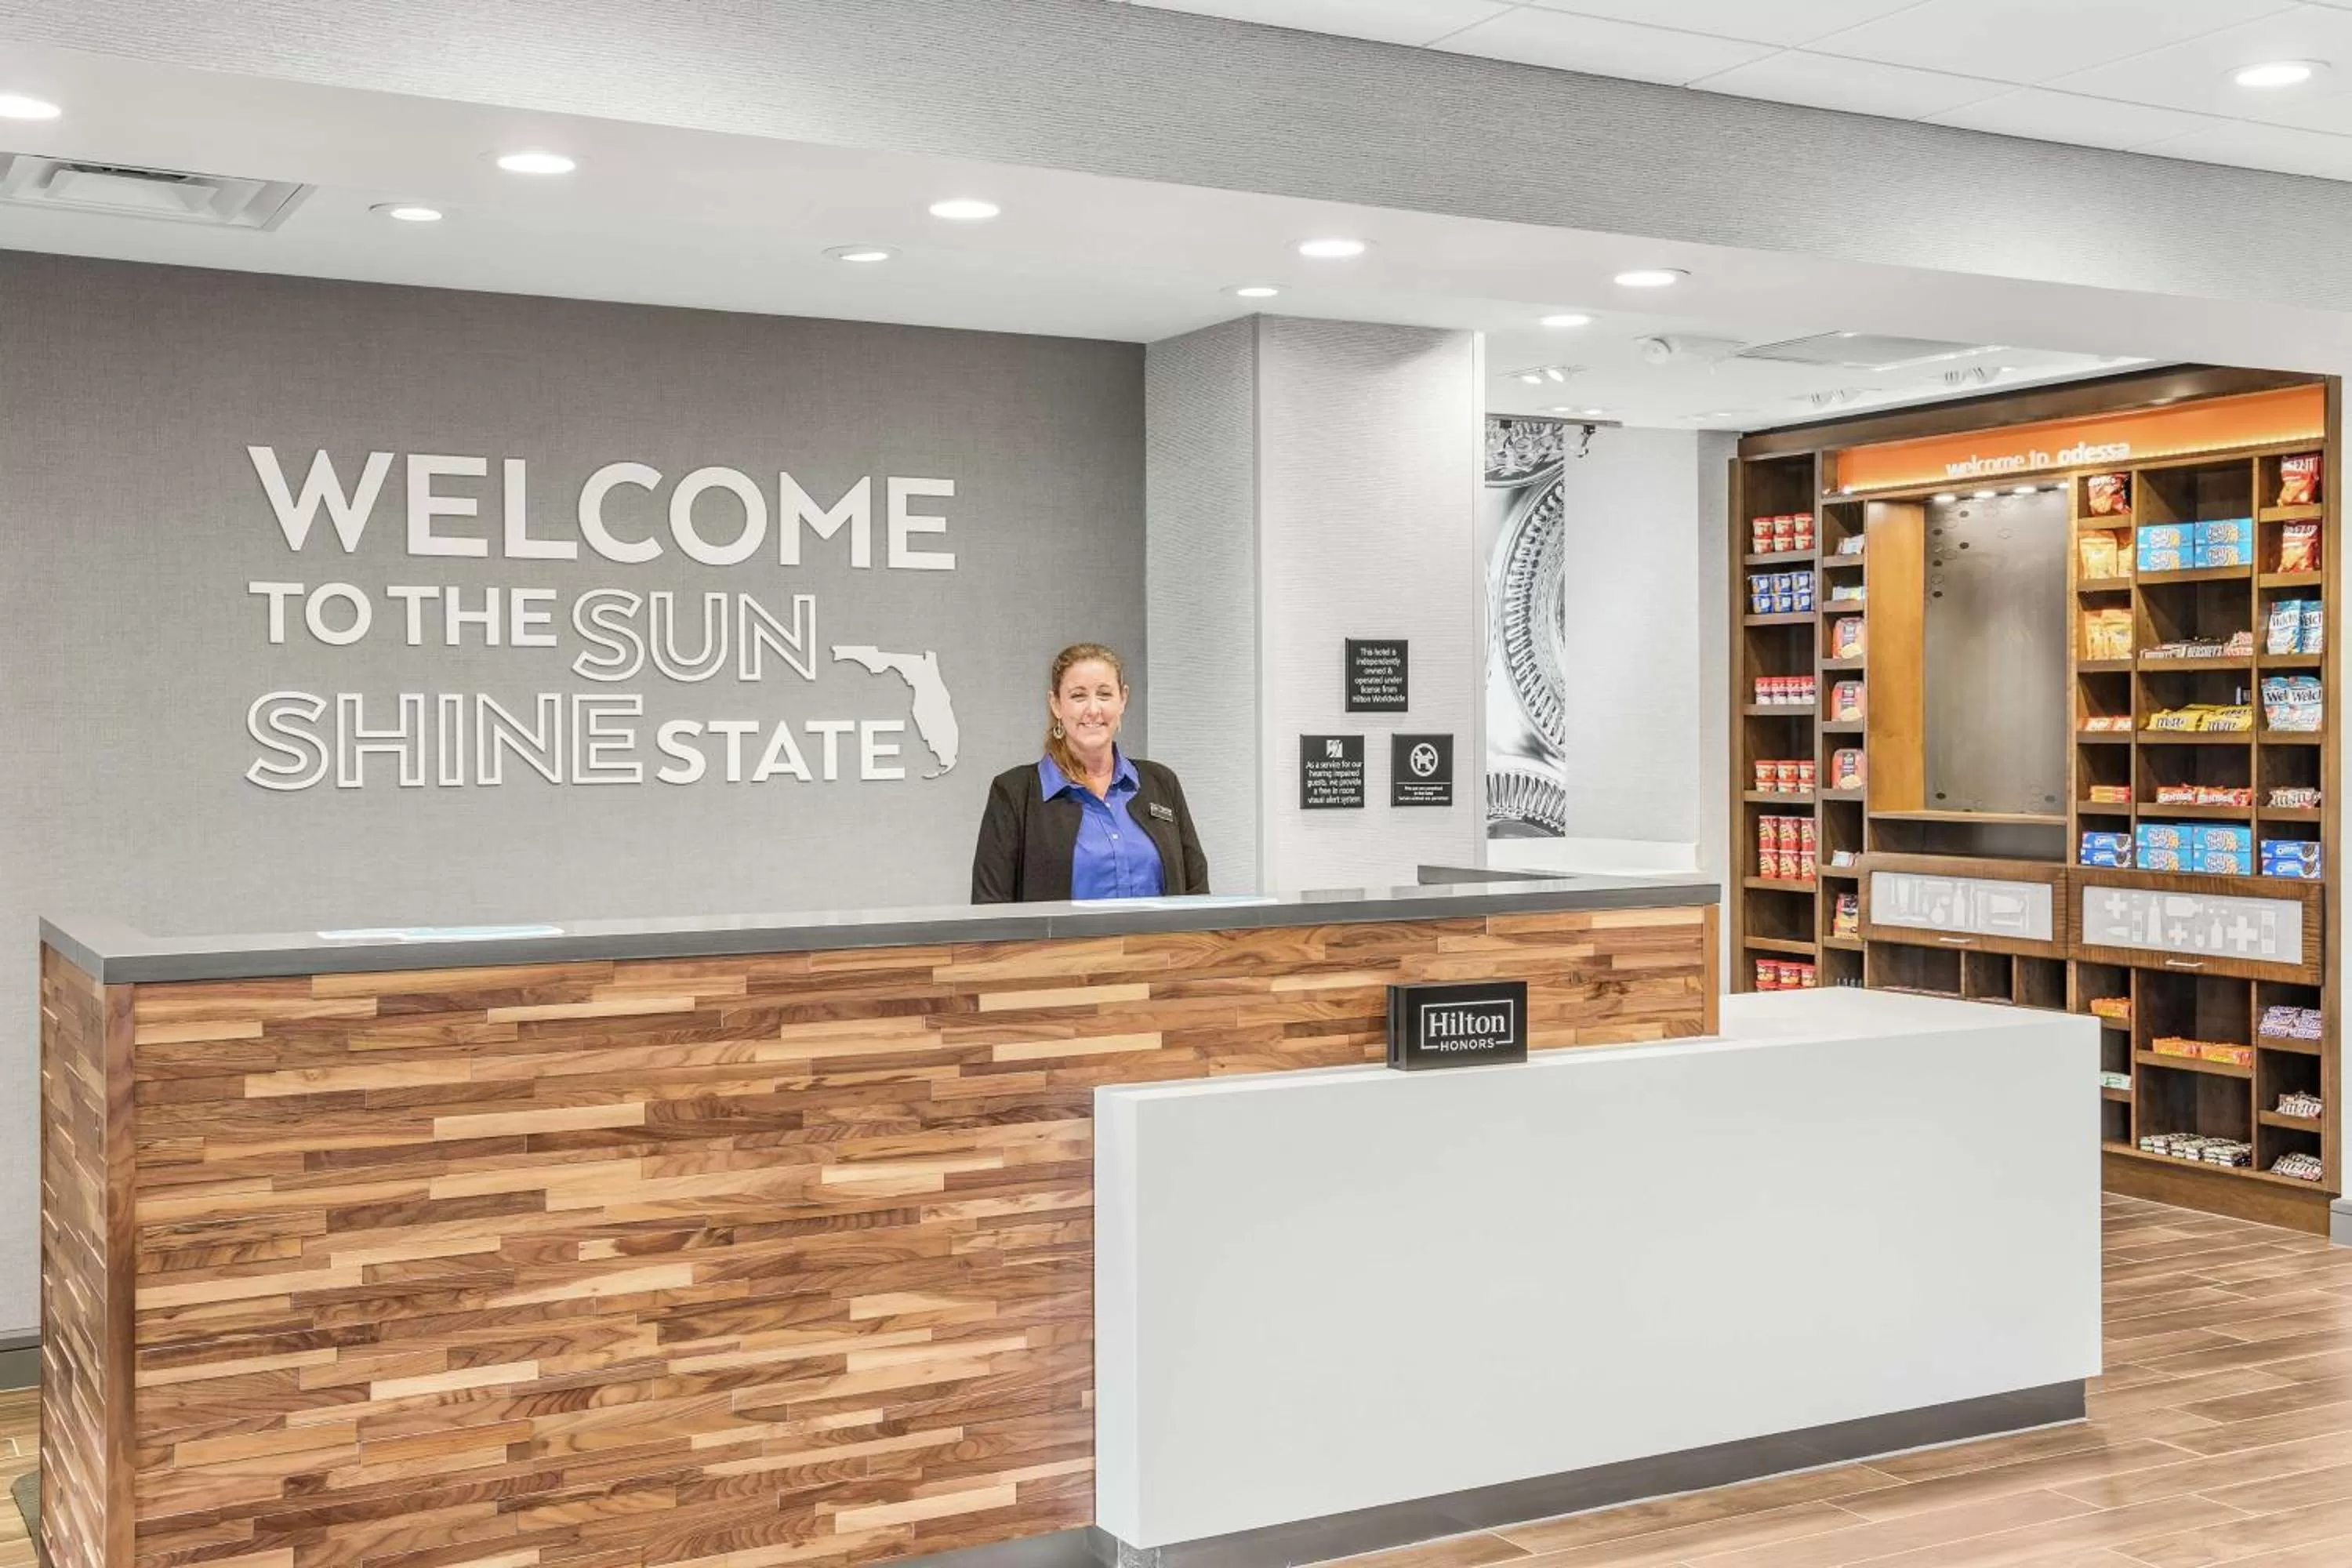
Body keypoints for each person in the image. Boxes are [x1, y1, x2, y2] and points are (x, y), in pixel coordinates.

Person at [971, 642, 1208, 902]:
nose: (1093, 710)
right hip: (1061, 946)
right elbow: (990, 913)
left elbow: (1197, 895)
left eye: (1105, 694)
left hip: (1161, 945)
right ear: (1056, 704)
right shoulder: (1013, 795)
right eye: (1078, 696)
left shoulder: (1162, 783)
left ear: (1123, 699)